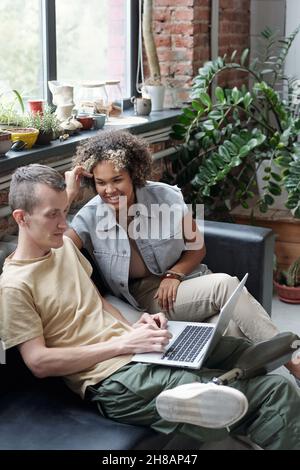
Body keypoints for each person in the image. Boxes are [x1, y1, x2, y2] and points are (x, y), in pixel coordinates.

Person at [1, 164, 300, 450]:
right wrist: (123, 343)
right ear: (21, 217)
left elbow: (99, 302)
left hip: (142, 350)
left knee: (247, 352)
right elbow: (39, 363)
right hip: (114, 379)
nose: (64, 224)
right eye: (53, 215)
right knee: (275, 392)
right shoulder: (15, 285)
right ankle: (193, 399)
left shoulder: (62, 248)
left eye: (63, 211)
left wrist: (137, 326)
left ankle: (208, 395)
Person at [65, 130, 278, 344]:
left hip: (191, 279)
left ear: (133, 173)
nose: (109, 189)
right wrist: (69, 195)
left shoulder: (165, 196)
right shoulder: (90, 216)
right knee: (225, 285)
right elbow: (57, 249)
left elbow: (197, 247)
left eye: (117, 179)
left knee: (232, 331)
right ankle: (295, 363)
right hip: (151, 296)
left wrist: (174, 274)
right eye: (101, 182)